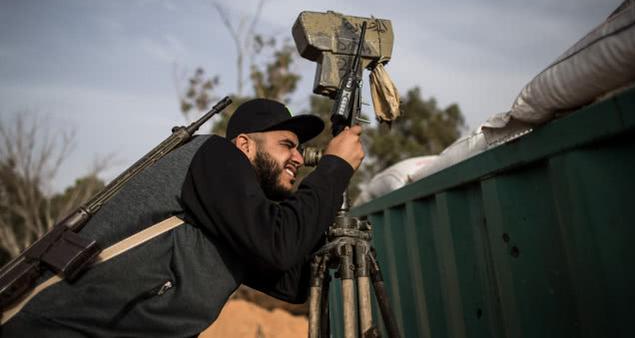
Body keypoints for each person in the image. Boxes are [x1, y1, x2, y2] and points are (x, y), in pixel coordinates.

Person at [1, 98, 364, 337]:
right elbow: (279, 245)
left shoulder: (229, 216)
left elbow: (293, 282)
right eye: (287, 145)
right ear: (244, 145)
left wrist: (329, 218)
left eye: (300, 149)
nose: (299, 158)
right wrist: (334, 168)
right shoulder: (214, 153)